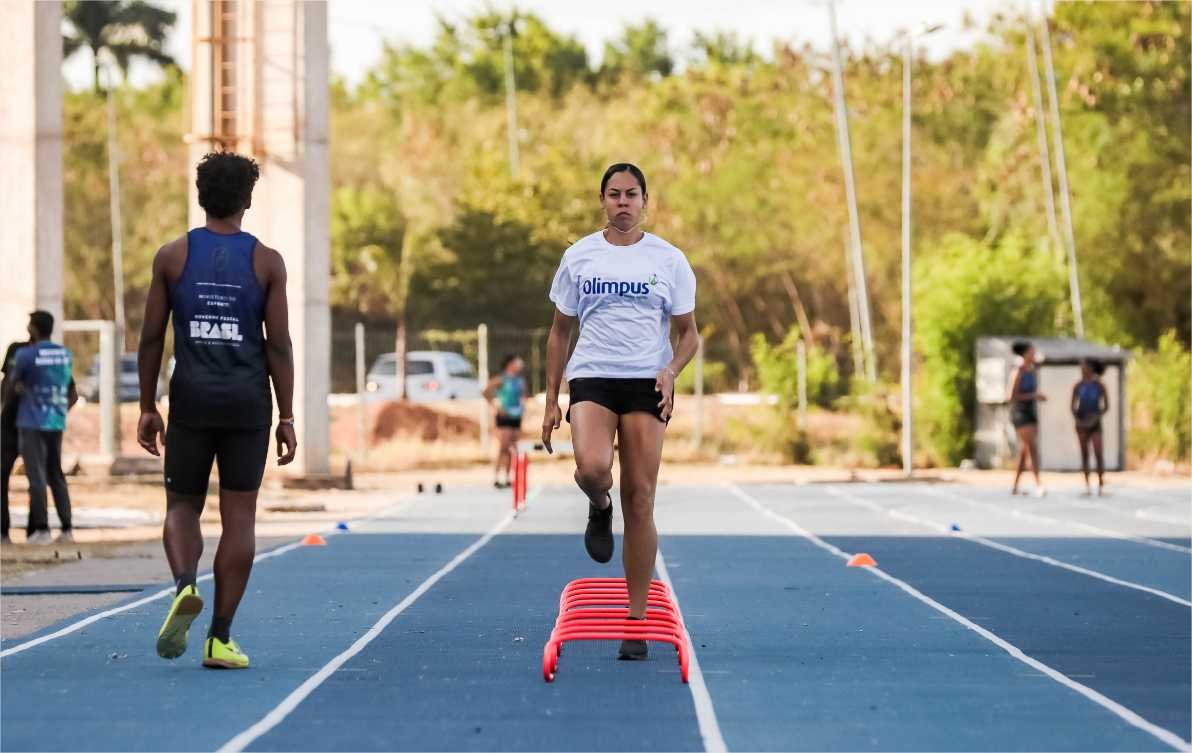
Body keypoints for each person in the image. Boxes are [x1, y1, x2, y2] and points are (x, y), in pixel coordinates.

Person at [137, 151, 296, 669]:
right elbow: (279, 345)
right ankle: (219, 638)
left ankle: (186, 584)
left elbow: (150, 338)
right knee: (239, 518)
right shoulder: (267, 262)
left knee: (182, 506)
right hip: (247, 403)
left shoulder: (171, 256)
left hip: (192, 399)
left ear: (201, 196)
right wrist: (287, 415)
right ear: (247, 199)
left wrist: (147, 406)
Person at [542, 163, 699, 661]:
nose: (623, 202)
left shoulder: (669, 259)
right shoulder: (579, 256)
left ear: (645, 200)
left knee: (641, 498)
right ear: (603, 200)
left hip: (646, 381)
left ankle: (636, 620)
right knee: (592, 469)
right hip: (593, 375)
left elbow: (690, 334)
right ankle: (598, 503)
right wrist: (551, 399)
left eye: (632, 194)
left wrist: (672, 370)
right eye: (615, 194)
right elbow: (559, 332)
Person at [4, 311, 78, 544]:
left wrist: (17, 394)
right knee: (56, 474)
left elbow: (12, 385)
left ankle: (42, 529)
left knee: (36, 476)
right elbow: (69, 390)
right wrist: (59, 410)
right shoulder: (64, 354)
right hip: (55, 422)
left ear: (33, 329)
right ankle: (67, 528)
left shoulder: (26, 355)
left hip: (31, 421)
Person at [1, 333, 33, 544]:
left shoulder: (44, 357)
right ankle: (3, 530)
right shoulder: (16, 350)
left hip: (32, 425)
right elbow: (6, 383)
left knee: (37, 479)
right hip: (9, 425)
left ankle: (37, 530)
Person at [1008, 340, 1046, 497]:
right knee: (1032, 447)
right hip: (1020, 413)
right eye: (1031, 351)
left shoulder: (1032, 370)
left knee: (1025, 450)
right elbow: (1011, 396)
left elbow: (1042, 361)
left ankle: (1015, 486)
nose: (1034, 353)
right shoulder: (1018, 372)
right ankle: (1038, 484)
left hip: (1031, 412)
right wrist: (1033, 396)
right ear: (1025, 354)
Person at [484, 354, 526, 489]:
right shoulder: (502, 379)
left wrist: (523, 410)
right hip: (504, 416)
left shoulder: (520, 381)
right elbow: (485, 391)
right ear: (510, 364)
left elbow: (523, 397)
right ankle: (496, 477)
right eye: (517, 362)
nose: (519, 364)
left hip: (516, 417)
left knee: (512, 448)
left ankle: (508, 477)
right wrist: (495, 406)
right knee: (503, 447)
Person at [1071, 358, 1108, 496]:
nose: (1082, 369)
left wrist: (1096, 417)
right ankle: (1087, 485)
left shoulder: (1099, 386)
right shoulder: (1078, 386)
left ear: (1091, 368)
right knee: (1084, 454)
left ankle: (1100, 484)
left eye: (1084, 366)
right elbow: (1072, 407)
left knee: (1098, 453)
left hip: (1095, 422)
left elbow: (1106, 406)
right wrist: (1079, 420)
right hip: (1081, 423)